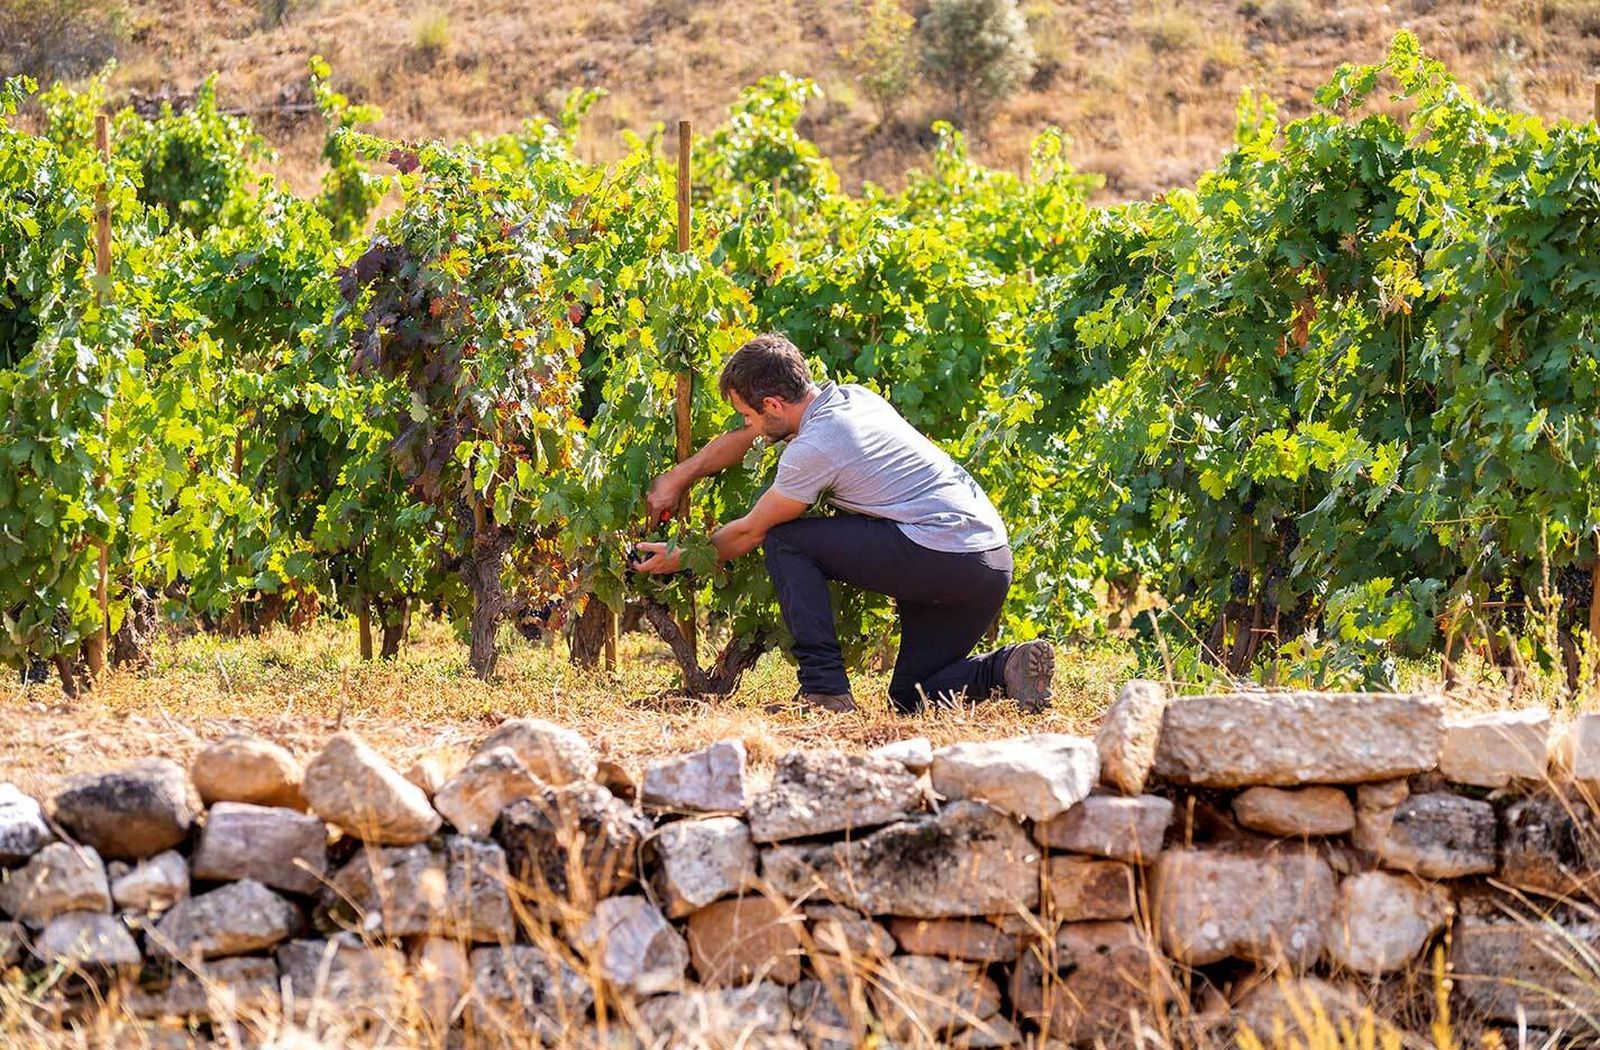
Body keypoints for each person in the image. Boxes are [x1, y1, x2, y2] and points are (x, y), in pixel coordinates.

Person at [633, 332, 1055, 714]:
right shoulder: (852, 399)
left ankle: (825, 691)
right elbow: (746, 441)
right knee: (912, 698)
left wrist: (681, 557)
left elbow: (749, 531)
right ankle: (1006, 667)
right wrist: (679, 476)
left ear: (773, 405)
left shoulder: (816, 446)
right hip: (988, 561)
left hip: (943, 554)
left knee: (785, 540)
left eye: (749, 415)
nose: (749, 427)